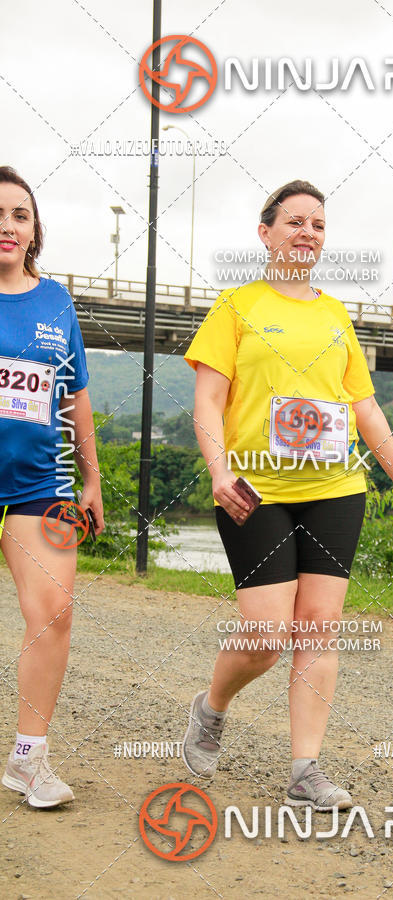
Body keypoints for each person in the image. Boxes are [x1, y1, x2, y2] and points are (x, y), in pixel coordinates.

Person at [183, 179, 393, 810]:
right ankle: (212, 708)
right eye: (295, 222)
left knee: (318, 628)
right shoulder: (234, 307)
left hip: (335, 487)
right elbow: (207, 400)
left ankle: (304, 770)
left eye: (318, 224)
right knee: (264, 632)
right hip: (253, 487)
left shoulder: (335, 315)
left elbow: (363, 406)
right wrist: (217, 469)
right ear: (265, 233)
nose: (308, 232)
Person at [0, 166, 104, 808]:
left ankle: (28, 759)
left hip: (41, 482)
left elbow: (77, 394)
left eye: (19, 214)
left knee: (55, 614)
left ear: (34, 229)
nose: (6, 224)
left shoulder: (55, 302)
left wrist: (91, 477)